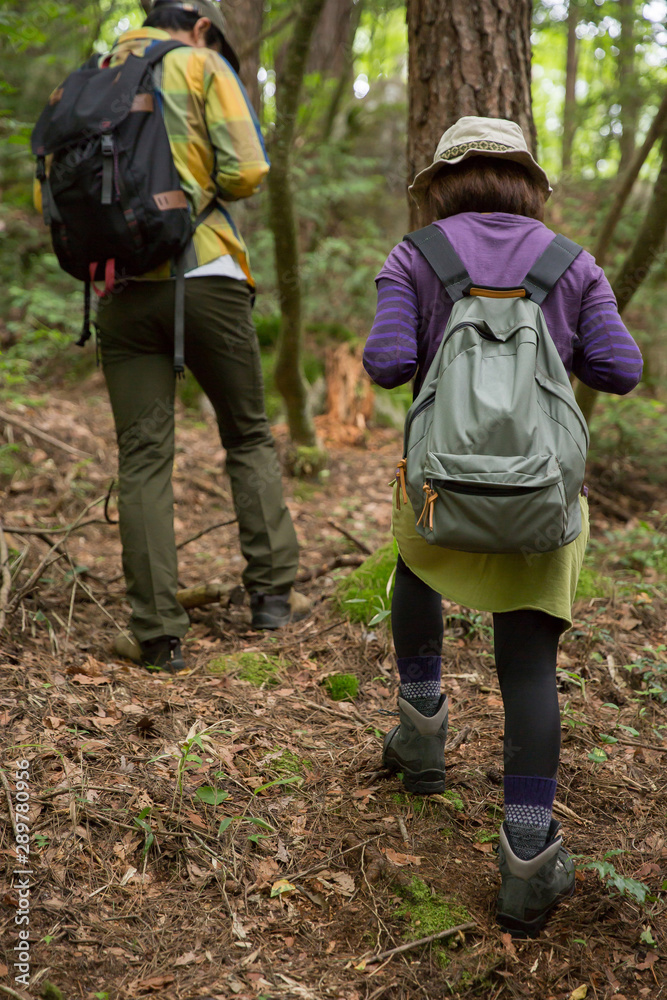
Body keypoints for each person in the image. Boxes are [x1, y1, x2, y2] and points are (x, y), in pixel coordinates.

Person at [363, 117, 643, 936]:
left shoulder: (417, 256)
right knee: (527, 665)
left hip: (440, 495)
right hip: (539, 504)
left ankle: (421, 736)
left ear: (441, 184)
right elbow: (620, 370)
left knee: (413, 569)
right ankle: (525, 859)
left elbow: (384, 364)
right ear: (527, 183)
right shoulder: (570, 262)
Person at [39, 0, 302, 672]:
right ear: (202, 26)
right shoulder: (198, 63)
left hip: (120, 290)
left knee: (144, 459)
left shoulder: (91, 76)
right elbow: (247, 170)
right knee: (246, 434)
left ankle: (157, 633)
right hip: (206, 276)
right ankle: (270, 598)